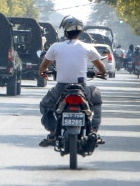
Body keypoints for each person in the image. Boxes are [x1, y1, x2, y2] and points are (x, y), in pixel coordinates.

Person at [37, 16, 106, 147]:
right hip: (82, 88)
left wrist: (43, 73)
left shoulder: (55, 47)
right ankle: (93, 131)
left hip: (60, 89)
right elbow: (101, 67)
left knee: (45, 105)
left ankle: (52, 132)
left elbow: (43, 66)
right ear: (80, 32)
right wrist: (102, 73)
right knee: (96, 99)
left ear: (65, 31)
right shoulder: (87, 47)